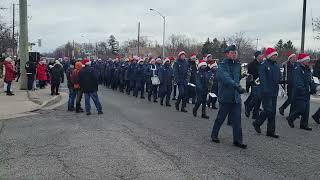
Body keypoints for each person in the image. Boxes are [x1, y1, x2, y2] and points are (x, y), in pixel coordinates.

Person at [210, 45, 247, 149]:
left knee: (237, 120)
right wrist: (237, 86)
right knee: (221, 117)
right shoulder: (222, 66)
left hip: (235, 97)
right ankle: (214, 134)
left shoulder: (238, 65)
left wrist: (244, 77)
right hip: (226, 96)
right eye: (232, 52)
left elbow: (237, 78)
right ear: (227, 54)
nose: (234, 54)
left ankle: (238, 140)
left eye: (235, 53)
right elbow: (226, 78)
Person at [252, 48, 281, 138]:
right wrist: (265, 90)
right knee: (268, 110)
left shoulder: (276, 66)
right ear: (269, 56)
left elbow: (278, 78)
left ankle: (270, 131)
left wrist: (283, 82)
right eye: (273, 55)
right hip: (266, 92)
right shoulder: (263, 65)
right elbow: (262, 78)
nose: (275, 57)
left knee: (272, 112)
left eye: (276, 55)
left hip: (274, 91)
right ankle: (257, 123)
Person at [286, 53, 316, 131]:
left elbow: (310, 80)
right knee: (301, 108)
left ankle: (304, 124)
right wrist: (303, 89)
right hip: (300, 92)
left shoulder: (308, 69)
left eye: (308, 60)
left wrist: (313, 87)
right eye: (306, 60)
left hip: (307, 92)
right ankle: (291, 118)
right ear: (302, 60)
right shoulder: (297, 68)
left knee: (306, 109)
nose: (308, 61)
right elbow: (298, 81)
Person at [244, 51, 264, 119]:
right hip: (254, 83)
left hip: (261, 83)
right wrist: (248, 84)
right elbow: (246, 73)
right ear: (257, 56)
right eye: (261, 55)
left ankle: (255, 113)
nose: (262, 56)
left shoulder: (262, 63)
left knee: (259, 98)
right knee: (256, 97)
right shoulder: (251, 64)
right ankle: (248, 108)